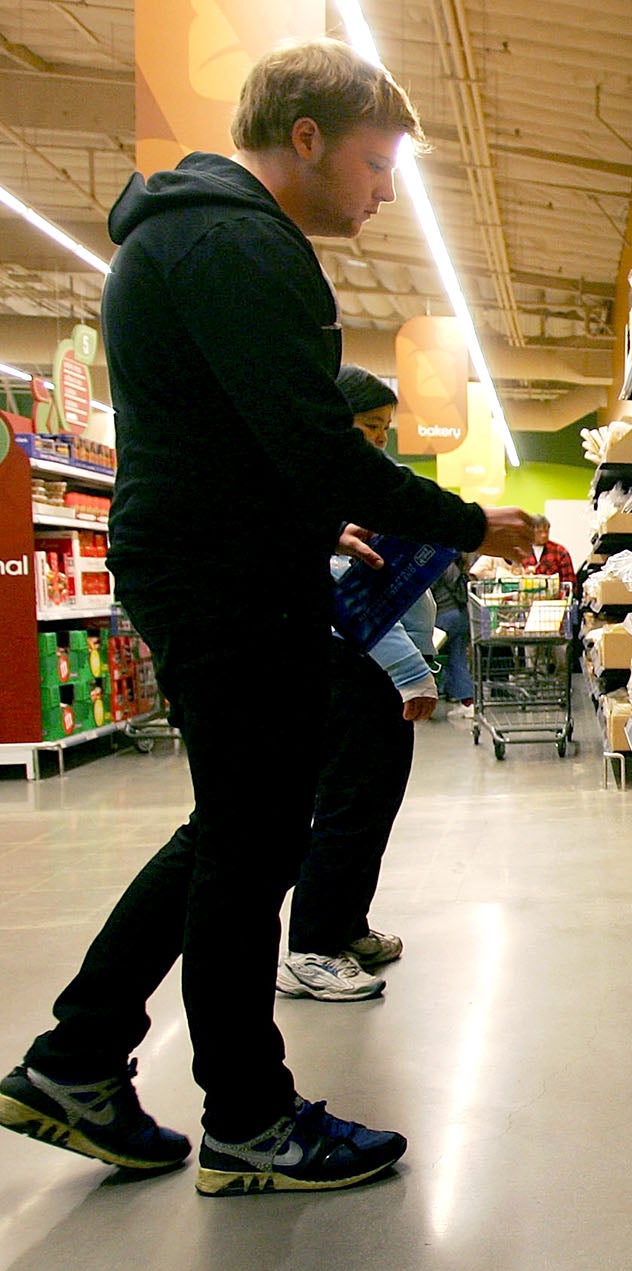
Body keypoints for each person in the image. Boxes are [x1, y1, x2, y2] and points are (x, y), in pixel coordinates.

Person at [0, 38, 534, 1196]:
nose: (385, 190)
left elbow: (246, 443)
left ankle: (78, 1057)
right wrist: (464, 520)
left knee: (239, 832)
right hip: (222, 581)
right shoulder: (241, 243)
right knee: (252, 845)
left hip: (213, 561)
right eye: (376, 162)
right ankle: (247, 1117)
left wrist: (308, 524)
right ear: (307, 137)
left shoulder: (186, 234)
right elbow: (308, 441)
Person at [278, 366, 439, 1002]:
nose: (377, 442)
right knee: (347, 806)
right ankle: (310, 948)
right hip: (352, 669)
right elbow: (351, 602)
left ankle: (344, 927)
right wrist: (409, 670)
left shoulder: (346, 485)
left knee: (373, 805)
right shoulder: (317, 491)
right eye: (368, 427)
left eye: (383, 431)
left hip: (371, 669)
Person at [430, 551, 474, 714]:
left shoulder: (436, 564)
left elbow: (427, 592)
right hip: (461, 615)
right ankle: (465, 699)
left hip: (443, 616)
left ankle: (429, 697)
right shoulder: (455, 565)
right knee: (457, 657)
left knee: (430, 658)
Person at [526, 514, 573, 589]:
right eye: (539, 532)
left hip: (555, 599)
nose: (544, 535)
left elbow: (569, 582)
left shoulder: (560, 551)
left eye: (546, 531)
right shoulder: (521, 552)